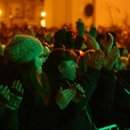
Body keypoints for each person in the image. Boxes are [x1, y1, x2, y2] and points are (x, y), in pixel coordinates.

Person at [2, 34, 77, 130]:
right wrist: (57, 106)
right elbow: (28, 124)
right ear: (28, 60)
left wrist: (71, 103)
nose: (43, 61)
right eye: (40, 56)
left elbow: (55, 122)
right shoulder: (15, 87)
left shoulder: (37, 81)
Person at [43, 48, 105, 130]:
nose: (76, 66)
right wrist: (93, 72)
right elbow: (78, 104)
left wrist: (108, 72)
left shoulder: (72, 82)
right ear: (61, 68)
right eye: (72, 64)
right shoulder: (55, 88)